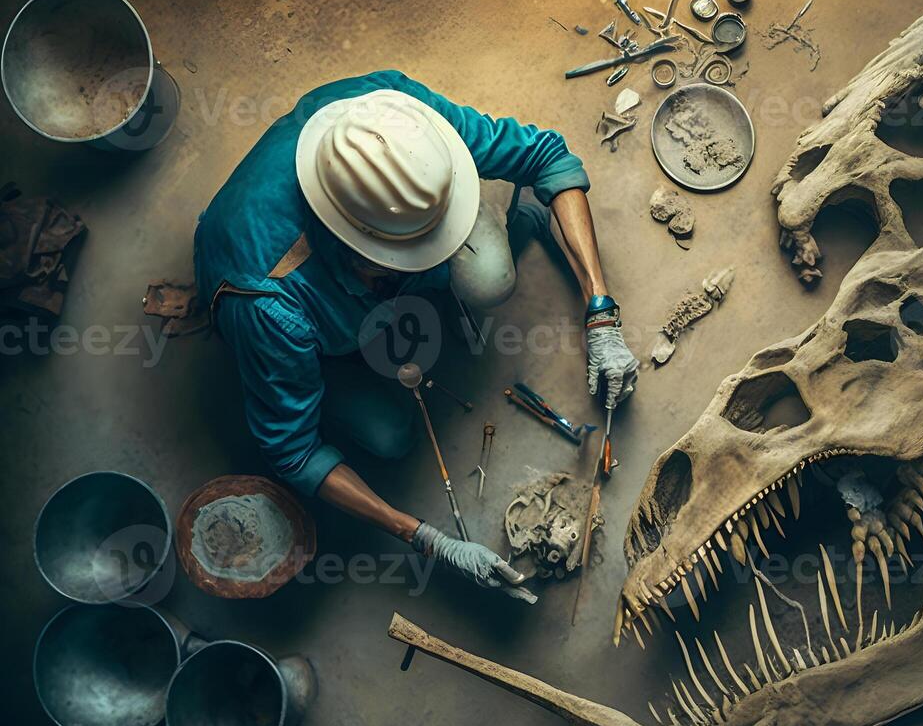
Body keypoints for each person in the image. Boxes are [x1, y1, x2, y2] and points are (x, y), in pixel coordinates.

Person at [194, 70, 638, 598]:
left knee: (489, 274)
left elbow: (548, 157)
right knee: (390, 435)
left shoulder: (395, 125)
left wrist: (601, 312)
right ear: (362, 247)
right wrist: (427, 539)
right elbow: (292, 452)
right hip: (281, 310)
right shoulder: (268, 309)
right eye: (412, 249)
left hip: (349, 275)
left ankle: (437, 274)